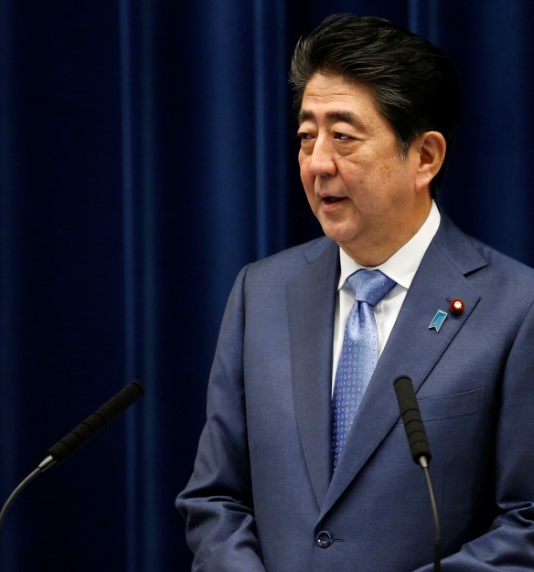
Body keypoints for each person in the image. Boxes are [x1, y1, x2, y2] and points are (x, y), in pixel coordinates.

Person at [176, 13, 534, 571]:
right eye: (306, 137)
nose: (318, 163)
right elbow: (215, 497)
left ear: (424, 157)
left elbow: (527, 522)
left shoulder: (517, 308)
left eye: (343, 136)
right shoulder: (262, 293)